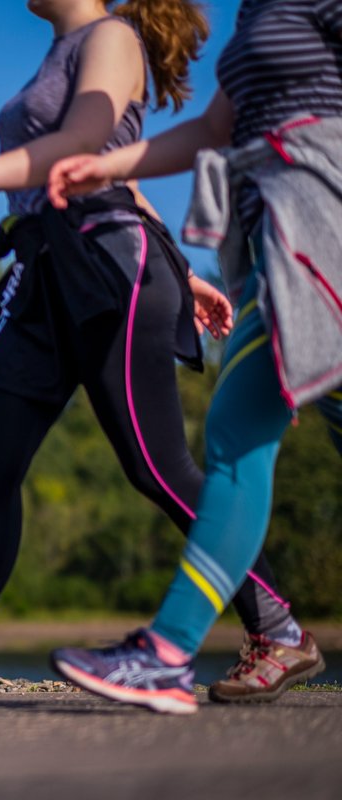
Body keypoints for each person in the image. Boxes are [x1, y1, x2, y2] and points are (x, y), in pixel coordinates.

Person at [0, 0, 320, 706]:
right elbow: (107, 171)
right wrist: (187, 273)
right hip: (44, 267)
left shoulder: (113, 38)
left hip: (109, 268)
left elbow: (82, 146)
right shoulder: (61, 53)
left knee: (155, 464)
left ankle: (277, 630)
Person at [47, 0, 342, 715]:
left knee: (234, 441)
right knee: (237, 440)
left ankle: (168, 653)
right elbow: (214, 130)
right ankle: (170, 653)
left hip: (322, 230)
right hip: (278, 242)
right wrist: (104, 166)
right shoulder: (262, 11)